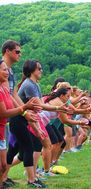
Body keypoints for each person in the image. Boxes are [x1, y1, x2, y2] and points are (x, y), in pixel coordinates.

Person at [0, 60, 38, 188]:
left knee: (4, 164)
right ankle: (32, 179)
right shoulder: (28, 85)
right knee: (29, 147)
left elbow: (13, 98)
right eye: (4, 70)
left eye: (7, 70)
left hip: (4, 128)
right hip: (12, 123)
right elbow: (4, 112)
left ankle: (5, 179)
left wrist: (25, 111)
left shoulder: (5, 90)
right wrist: (24, 109)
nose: (7, 72)